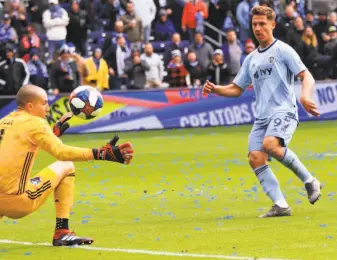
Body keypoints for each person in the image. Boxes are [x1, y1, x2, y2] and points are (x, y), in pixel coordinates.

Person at [202, 6, 322, 218]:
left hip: (284, 111)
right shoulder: (251, 59)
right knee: (256, 157)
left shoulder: (282, 50)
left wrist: (305, 96)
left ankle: (310, 181)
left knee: (270, 145)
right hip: (262, 117)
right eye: (255, 24)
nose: (258, 28)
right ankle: (280, 205)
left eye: (262, 24)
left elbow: (306, 75)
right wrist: (216, 89)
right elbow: (236, 89)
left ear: (272, 24)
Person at [0, 84, 134, 246]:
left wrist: (52, 134)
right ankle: (62, 232)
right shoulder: (35, 123)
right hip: (16, 202)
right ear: (30, 106)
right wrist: (101, 153)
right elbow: (61, 152)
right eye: (44, 103)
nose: (48, 108)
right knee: (66, 166)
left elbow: (16, 151)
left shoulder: (4, 121)